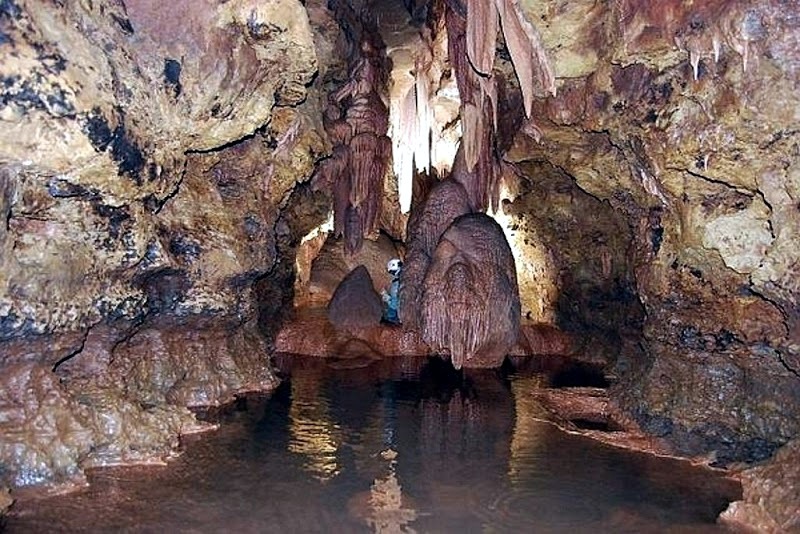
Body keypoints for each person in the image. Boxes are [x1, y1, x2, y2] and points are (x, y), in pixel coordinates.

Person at [382, 258, 402, 324]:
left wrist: (387, 298)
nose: (391, 274)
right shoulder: (404, 279)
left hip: (396, 315)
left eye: (391, 272)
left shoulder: (396, 284)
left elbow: (394, 305)